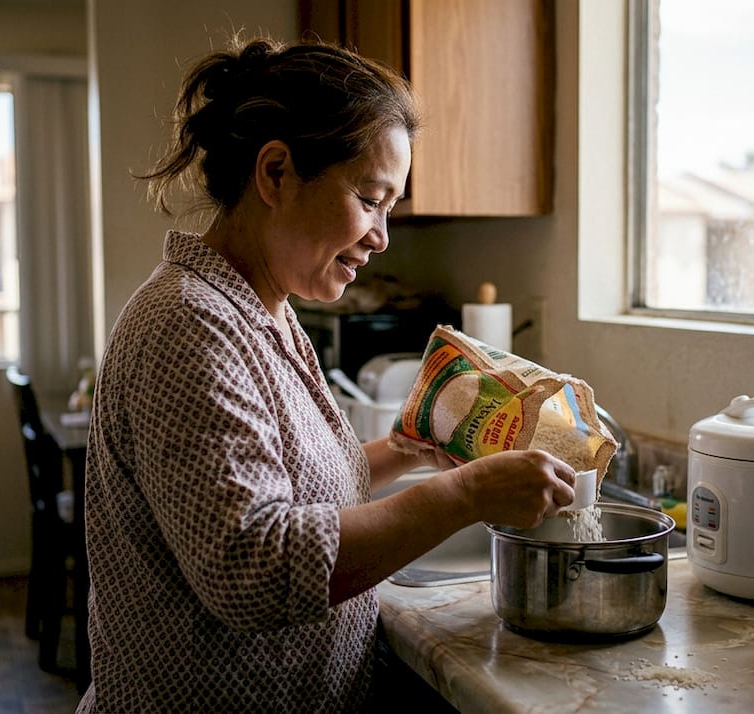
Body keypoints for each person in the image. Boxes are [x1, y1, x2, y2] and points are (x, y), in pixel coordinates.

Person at [77, 37, 578, 712]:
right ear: (277, 172)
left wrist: (403, 450)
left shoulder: (265, 309)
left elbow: (294, 487)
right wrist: (464, 495)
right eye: (371, 198)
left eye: (390, 207)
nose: (382, 235)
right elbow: (255, 567)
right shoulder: (188, 326)